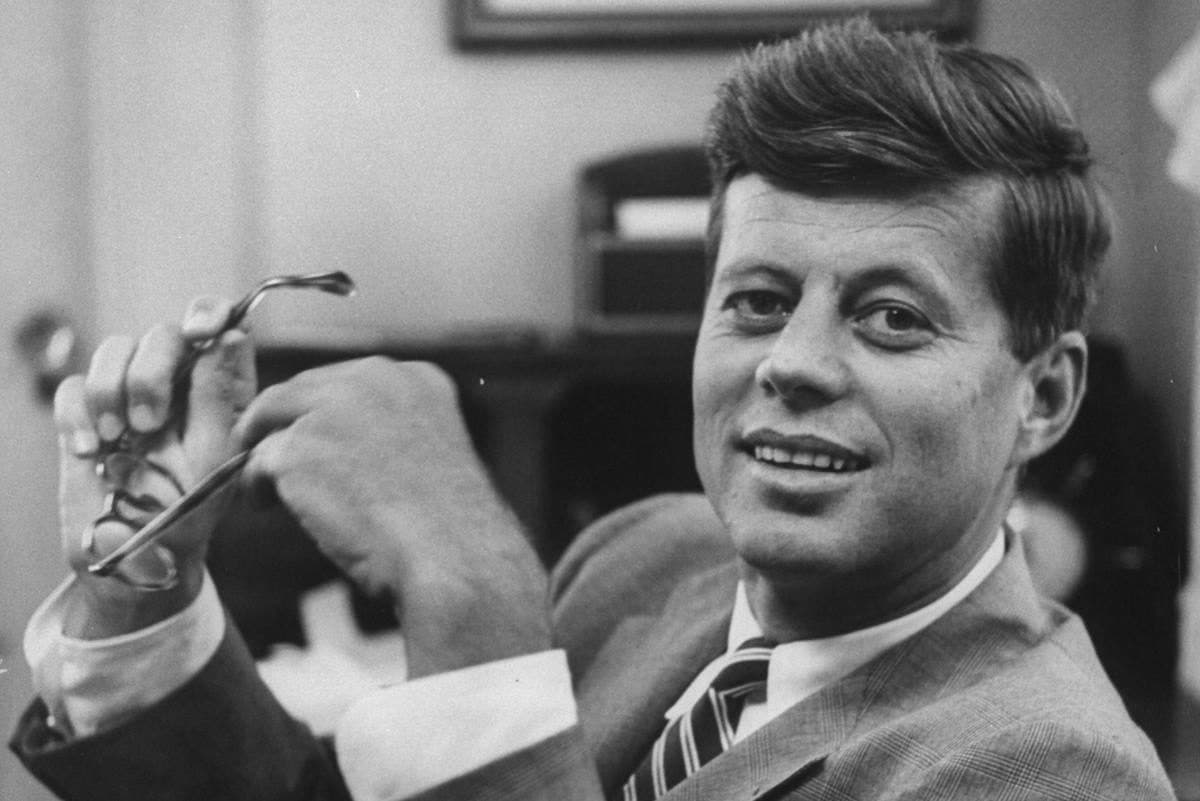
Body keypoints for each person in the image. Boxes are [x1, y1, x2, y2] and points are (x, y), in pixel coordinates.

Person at [10, 18, 1178, 801]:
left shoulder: (1052, 771)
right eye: (759, 302)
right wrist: (142, 593)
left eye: (891, 319)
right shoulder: (651, 555)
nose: (793, 364)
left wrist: (473, 586)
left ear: (1044, 396)